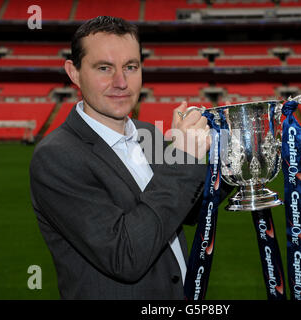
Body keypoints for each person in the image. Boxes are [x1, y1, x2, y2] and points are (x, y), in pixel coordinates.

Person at [29, 16, 229, 299]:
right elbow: (126, 257)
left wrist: (237, 158)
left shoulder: (149, 134)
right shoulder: (56, 157)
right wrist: (182, 158)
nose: (121, 82)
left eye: (131, 67)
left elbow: (188, 209)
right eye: (104, 68)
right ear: (73, 73)